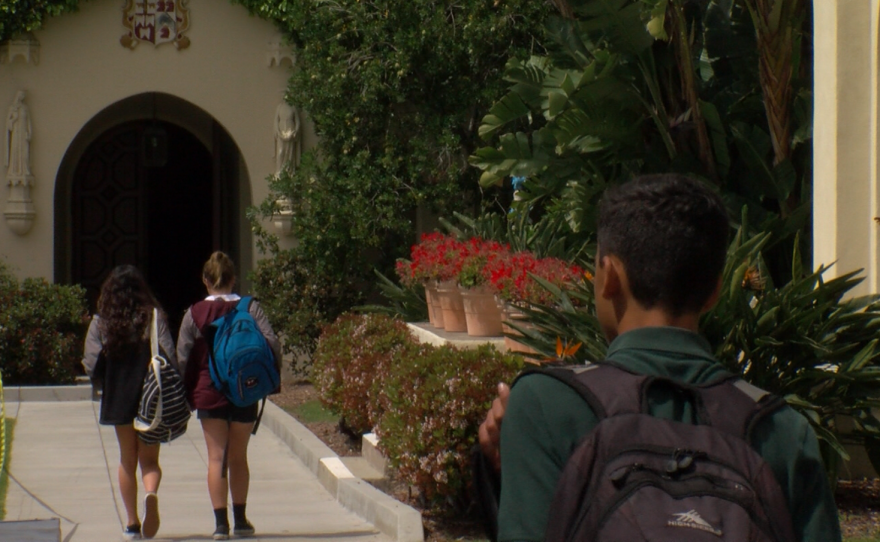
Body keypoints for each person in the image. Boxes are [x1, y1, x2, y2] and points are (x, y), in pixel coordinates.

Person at [482, 174, 841, 542]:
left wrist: (509, 461)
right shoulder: (782, 431)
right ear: (714, 292)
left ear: (609, 277)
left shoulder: (546, 405)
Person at [177, 251, 281, 540]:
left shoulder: (194, 312)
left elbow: (183, 357)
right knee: (239, 456)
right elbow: (272, 342)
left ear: (205, 280)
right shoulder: (250, 307)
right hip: (244, 390)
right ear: (233, 279)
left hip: (208, 391)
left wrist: (187, 395)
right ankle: (242, 519)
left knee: (216, 458)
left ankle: (220, 524)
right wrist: (269, 379)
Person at [82, 265, 177, 540]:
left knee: (127, 459)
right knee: (150, 461)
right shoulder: (153, 317)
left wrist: (101, 383)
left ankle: (132, 523)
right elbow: (168, 354)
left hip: (118, 396)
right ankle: (150, 493)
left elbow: (90, 362)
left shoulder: (102, 321)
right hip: (150, 397)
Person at [5, 90, 32, 181]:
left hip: (23, 132)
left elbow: (28, 122)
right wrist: (14, 119)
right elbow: (8, 125)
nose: (22, 97)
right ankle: (15, 170)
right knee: (16, 150)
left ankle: (24, 169)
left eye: (23, 96)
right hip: (16, 133)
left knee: (24, 151)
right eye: (21, 95)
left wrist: (29, 132)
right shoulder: (13, 108)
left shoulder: (25, 108)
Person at [273, 100, 300, 176]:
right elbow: (276, 120)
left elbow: (297, 122)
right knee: (281, 152)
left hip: (290, 131)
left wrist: (295, 131)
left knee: (289, 153)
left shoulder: (293, 107)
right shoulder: (279, 107)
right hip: (281, 132)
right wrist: (278, 131)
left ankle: (289, 171)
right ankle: (279, 171)